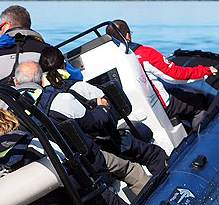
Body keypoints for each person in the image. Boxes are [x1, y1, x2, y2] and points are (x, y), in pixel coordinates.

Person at [11, 62, 129, 205]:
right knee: (131, 168)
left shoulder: (8, 119)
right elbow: (93, 123)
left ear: (16, 83)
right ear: (42, 81)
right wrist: (102, 109)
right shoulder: (61, 100)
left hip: (50, 181)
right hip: (85, 167)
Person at [39, 45, 167, 193]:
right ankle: (167, 189)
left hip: (81, 153)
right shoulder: (82, 88)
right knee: (153, 153)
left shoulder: (46, 100)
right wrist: (104, 108)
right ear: (64, 64)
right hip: (105, 144)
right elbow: (110, 120)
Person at [105, 19, 217, 130]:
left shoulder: (107, 60)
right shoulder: (144, 53)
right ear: (128, 35)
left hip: (130, 113)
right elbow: (174, 75)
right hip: (160, 107)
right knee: (198, 99)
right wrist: (204, 71)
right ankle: (200, 136)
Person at [0, 5, 83, 87]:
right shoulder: (47, 50)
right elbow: (76, 77)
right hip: (39, 111)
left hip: (3, 112)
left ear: (7, 25)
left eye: (1, 27)